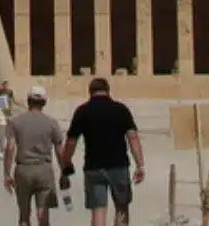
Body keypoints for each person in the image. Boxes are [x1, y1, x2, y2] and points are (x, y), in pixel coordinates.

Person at [59, 78, 146, 226]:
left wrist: (65, 163)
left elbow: (71, 141)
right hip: (118, 166)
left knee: (98, 209)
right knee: (121, 207)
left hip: (93, 167)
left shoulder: (82, 111)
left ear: (90, 92)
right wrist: (140, 165)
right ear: (108, 90)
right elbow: (133, 137)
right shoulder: (121, 109)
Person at [5, 86, 64, 226]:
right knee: (42, 214)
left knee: (24, 216)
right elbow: (60, 150)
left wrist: (7, 173)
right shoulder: (52, 123)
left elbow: (10, 147)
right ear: (44, 102)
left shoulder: (16, 122)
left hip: (23, 169)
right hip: (44, 170)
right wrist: (64, 172)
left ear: (28, 100)